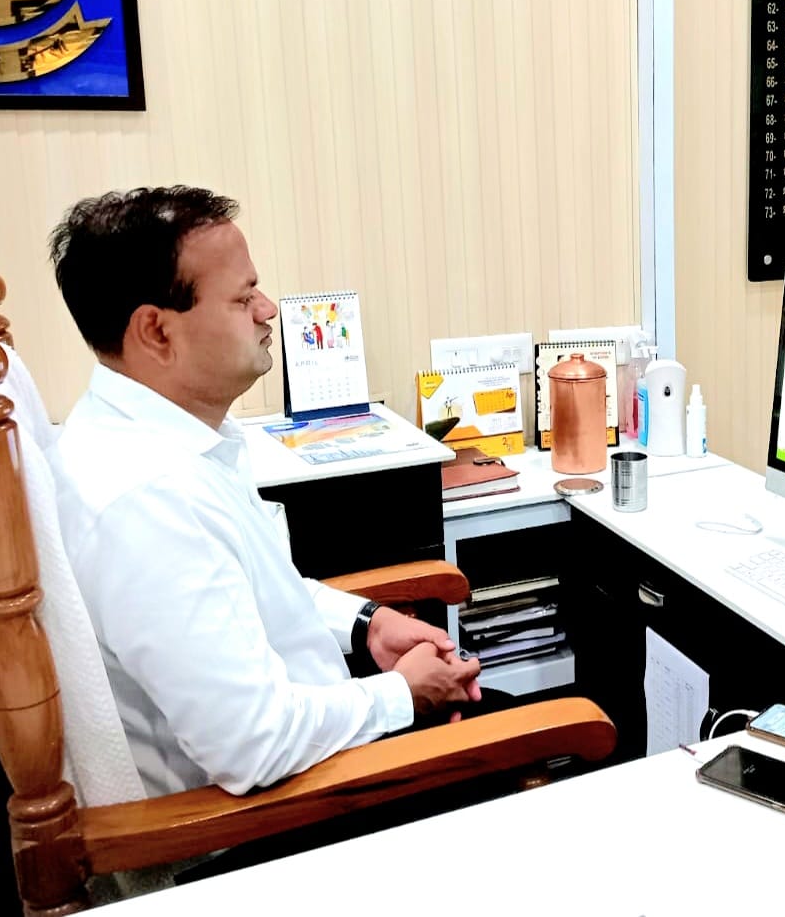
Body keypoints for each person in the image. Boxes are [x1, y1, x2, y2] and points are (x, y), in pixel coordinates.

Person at [46, 186, 481, 799]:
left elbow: (250, 592)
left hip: (315, 741)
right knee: (562, 737)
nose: (268, 309)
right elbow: (253, 747)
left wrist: (367, 624)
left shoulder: (165, 439)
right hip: (281, 812)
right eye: (242, 296)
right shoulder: (147, 500)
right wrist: (401, 694)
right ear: (157, 332)